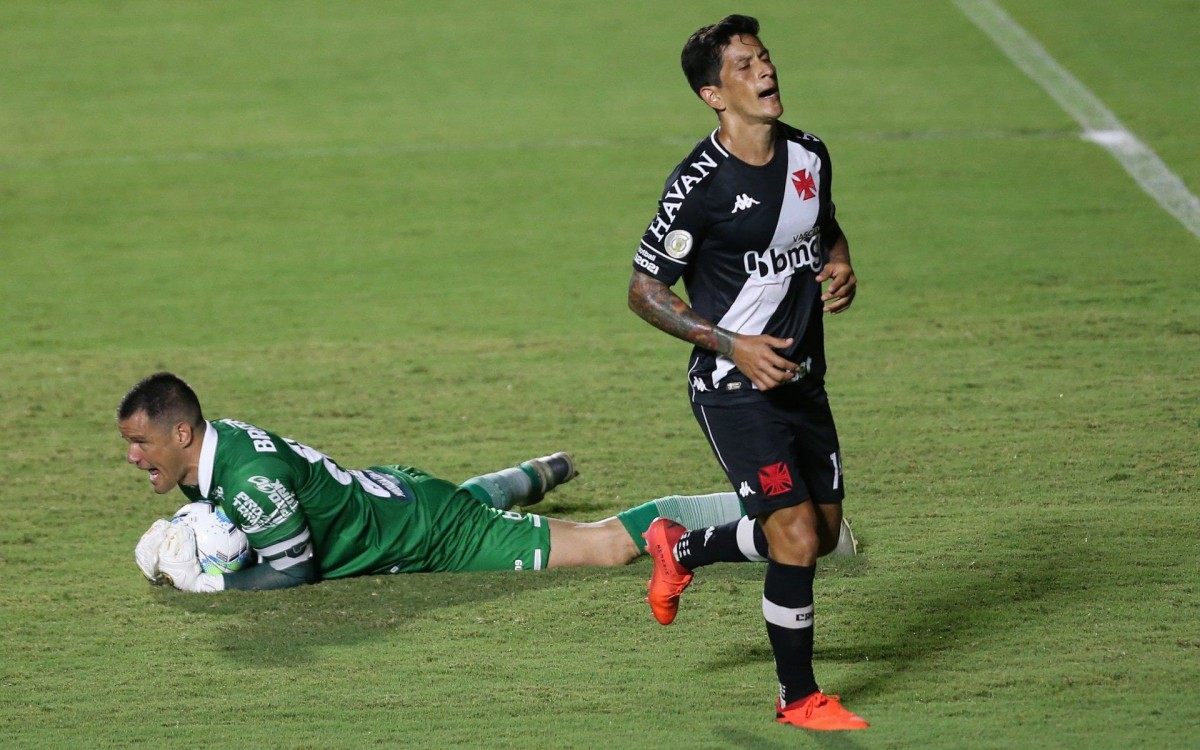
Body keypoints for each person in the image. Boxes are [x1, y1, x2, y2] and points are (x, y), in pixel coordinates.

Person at [626, 15, 867, 731]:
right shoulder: (698, 185)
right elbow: (644, 291)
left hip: (801, 377)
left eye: (764, 58)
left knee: (818, 534)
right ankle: (798, 698)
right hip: (733, 386)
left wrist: (842, 261)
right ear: (713, 94)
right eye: (743, 65)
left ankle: (683, 545)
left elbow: (823, 225)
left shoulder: (809, 155)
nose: (764, 71)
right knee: (792, 536)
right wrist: (730, 345)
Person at [121, 372, 750, 593]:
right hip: (394, 496)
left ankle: (754, 510)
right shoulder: (212, 446)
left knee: (604, 546)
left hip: (430, 534)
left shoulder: (250, 480)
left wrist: (210, 582)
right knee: (456, 502)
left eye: (139, 442)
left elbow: (293, 571)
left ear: (180, 435)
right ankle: (532, 475)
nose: (131, 456)